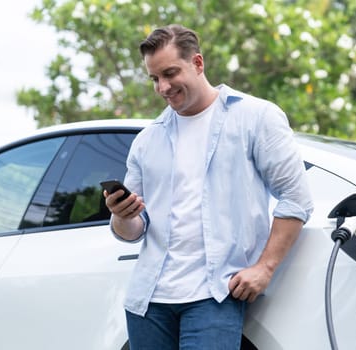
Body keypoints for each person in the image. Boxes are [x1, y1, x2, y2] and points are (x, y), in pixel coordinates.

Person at [104, 24, 313, 350]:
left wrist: (265, 268)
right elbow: (133, 230)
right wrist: (121, 215)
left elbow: (296, 198)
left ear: (198, 63)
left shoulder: (256, 118)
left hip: (214, 296)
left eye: (170, 73)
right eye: (154, 78)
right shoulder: (147, 140)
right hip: (148, 302)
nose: (162, 87)